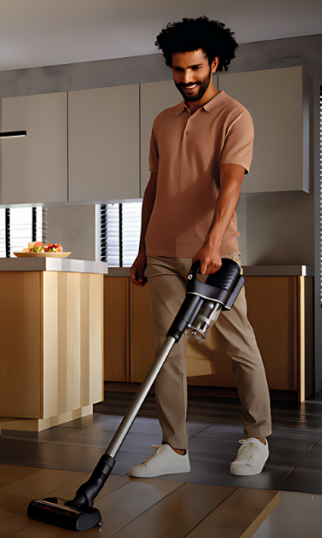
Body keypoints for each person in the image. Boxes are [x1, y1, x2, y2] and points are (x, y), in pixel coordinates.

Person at [129, 16, 271, 478]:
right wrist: (142, 247)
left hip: (213, 254)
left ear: (214, 63)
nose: (186, 79)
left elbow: (231, 184)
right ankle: (174, 448)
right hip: (162, 252)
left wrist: (212, 243)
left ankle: (257, 437)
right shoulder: (163, 121)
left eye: (194, 69)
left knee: (238, 344)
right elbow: (156, 186)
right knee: (166, 350)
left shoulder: (235, 116)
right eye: (177, 70)